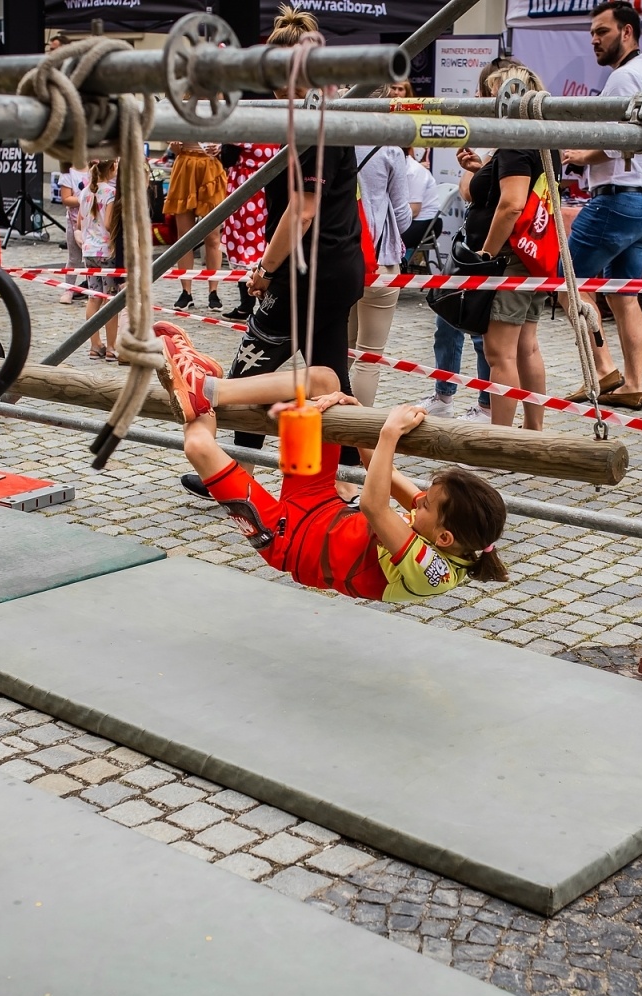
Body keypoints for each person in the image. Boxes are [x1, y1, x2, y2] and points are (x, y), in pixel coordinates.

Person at [158, 321, 510, 601]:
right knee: (325, 380)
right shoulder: (441, 523)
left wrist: (389, 433)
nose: (419, 503)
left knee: (199, 448)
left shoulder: (433, 572)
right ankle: (208, 388)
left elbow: (374, 505)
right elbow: (384, 473)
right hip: (317, 500)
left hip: (287, 539)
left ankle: (195, 397)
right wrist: (356, 420)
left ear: (444, 537)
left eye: (426, 505)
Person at [181, 5, 366, 501]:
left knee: (247, 373)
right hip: (335, 266)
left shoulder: (315, 121)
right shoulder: (323, 112)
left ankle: (232, 472)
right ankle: (350, 479)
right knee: (332, 380)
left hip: (308, 271)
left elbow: (301, 212)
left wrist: (265, 267)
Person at [560, 0, 642, 412]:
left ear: (627, 32)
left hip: (618, 201)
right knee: (624, 296)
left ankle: (605, 369)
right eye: (592, 32)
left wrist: (578, 154)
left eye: (602, 31)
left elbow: (615, 144)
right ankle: (633, 384)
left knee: (564, 283)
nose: (594, 39)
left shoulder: (623, 78)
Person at [457, 62, 556, 431]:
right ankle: (532, 431)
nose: (479, 100)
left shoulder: (515, 141)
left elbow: (512, 204)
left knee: (499, 353)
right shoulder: (537, 138)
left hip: (509, 258)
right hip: (530, 255)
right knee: (525, 346)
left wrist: (486, 253)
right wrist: (480, 168)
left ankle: (501, 441)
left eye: (486, 93)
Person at [347, 130, 412, 405]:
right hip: (379, 260)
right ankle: (357, 428)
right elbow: (403, 215)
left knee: (342, 350)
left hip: (341, 258)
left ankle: (329, 421)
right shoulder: (389, 149)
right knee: (368, 357)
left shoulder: (333, 140)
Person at [165, 140, 227, 311]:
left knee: (213, 237)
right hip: (185, 164)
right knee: (184, 238)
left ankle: (213, 291)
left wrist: (221, 147)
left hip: (211, 165)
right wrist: (172, 143)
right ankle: (186, 292)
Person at [220, 141, 278, 322]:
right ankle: (256, 306)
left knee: (244, 247)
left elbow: (228, 158)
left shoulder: (243, 134)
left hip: (246, 190)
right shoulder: (278, 134)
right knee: (261, 246)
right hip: (268, 186)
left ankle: (254, 305)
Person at [76, 158, 120, 359]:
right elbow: (109, 224)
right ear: (111, 167)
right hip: (106, 251)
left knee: (93, 298)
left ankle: (95, 345)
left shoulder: (85, 192)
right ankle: (111, 347)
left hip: (89, 251)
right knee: (111, 300)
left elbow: (80, 223)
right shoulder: (111, 192)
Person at [401, 147, 442, 252]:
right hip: (411, 219)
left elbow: (414, 210)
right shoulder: (402, 168)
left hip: (425, 222)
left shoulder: (414, 171)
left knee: (387, 240)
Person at [58, 163, 88, 304]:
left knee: (92, 259)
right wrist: (86, 198)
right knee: (74, 258)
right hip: (74, 222)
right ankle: (68, 289)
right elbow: (66, 199)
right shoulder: (68, 173)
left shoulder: (95, 169)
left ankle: (93, 289)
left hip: (93, 223)